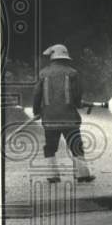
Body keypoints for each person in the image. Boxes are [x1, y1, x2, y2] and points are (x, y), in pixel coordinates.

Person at [33, 44, 94, 184]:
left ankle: (53, 176)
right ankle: (82, 175)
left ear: (52, 57)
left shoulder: (43, 73)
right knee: (76, 145)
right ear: (65, 57)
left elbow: (37, 94)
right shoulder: (73, 73)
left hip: (49, 119)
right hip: (69, 119)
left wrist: (37, 111)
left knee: (50, 147)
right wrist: (79, 104)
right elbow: (77, 95)